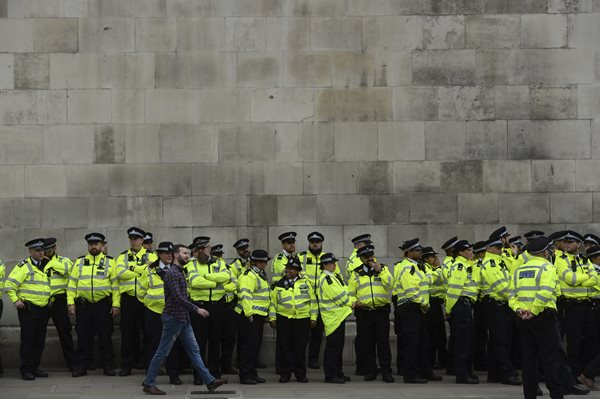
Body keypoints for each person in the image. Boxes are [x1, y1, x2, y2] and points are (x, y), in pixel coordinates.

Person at [142, 244, 226, 395]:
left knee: (194, 351)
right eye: (184, 253)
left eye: (188, 253)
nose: (187, 256)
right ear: (176, 255)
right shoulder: (173, 273)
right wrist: (196, 309)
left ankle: (210, 381)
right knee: (162, 352)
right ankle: (149, 383)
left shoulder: (180, 272)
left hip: (182, 318)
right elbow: (177, 297)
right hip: (173, 318)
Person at [509, 237, 564, 399]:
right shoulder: (548, 267)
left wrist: (519, 309)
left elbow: (511, 294)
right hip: (543, 318)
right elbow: (545, 291)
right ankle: (556, 394)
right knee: (550, 359)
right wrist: (534, 311)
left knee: (529, 359)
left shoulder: (520, 270)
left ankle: (530, 395)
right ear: (545, 252)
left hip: (523, 318)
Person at [69, 233, 120, 377]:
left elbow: (115, 286)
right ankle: (81, 367)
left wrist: (116, 305)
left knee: (105, 337)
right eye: (91, 244)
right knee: (83, 337)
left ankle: (108, 366)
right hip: (83, 306)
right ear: (88, 246)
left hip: (102, 305)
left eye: (96, 244)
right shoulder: (79, 262)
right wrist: (70, 303)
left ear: (102, 245)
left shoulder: (110, 262)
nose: (93, 246)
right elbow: (72, 283)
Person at [137, 241, 184, 385]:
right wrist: (149, 303)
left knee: (173, 345)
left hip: (172, 313)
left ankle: (174, 375)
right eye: (165, 253)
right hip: (153, 312)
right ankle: (151, 376)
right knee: (152, 343)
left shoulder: (178, 269)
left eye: (171, 253)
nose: (169, 256)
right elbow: (140, 290)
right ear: (159, 254)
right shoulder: (149, 269)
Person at [185, 236, 231, 380]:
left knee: (215, 340)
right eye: (206, 248)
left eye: (209, 248)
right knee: (199, 342)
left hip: (217, 306)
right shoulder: (191, 264)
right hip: (199, 307)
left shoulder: (219, 262)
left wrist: (206, 276)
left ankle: (214, 372)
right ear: (198, 250)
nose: (208, 250)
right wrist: (216, 282)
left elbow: (227, 276)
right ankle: (199, 374)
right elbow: (195, 281)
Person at [5, 238, 51, 380]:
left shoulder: (45, 265)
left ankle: (35, 368)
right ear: (30, 252)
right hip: (29, 310)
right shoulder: (23, 266)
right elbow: (9, 284)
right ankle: (26, 370)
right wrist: (16, 300)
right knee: (28, 340)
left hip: (43, 309)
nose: (40, 253)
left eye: (42, 250)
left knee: (39, 341)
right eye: (37, 251)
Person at [115, 227, 157, 376]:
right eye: (131, 239)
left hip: (146, 300)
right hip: (129, 300)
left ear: (142, 240)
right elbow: (119, 273)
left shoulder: (152, 255)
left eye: (136, 238)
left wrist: (131, 269)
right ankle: (127, 365)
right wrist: (140, 270)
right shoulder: (122, 256)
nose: (133, 241)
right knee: (127, 333)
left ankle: (149, 366)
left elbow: (151, 270)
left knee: (149, 333)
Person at [349, 244, 394, 383]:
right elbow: (350, 293)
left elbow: (390, 284)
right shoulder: (356, 273)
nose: (370, 259)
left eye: (371, 256)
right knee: (367, 343)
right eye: (366, 257)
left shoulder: (383, 268)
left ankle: (386, 371)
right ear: (361, 259)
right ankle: (370, 371)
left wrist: (380, 271)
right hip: (365, 313)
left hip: (381, 311)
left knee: (383, 343)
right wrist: (354, 301)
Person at [479, 235, 521, 385]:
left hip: (504, 304)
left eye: (501, 247)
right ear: (489, 248)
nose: (500, 250)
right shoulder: (490, 263)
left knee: (498, 341)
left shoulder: (501, 259)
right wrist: (517, 295)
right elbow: (501, 286)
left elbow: (516, 269)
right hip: (496, 305)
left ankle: (494, 373)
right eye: (497, 247)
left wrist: (514, 254)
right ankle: (506, 373)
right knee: (501, 340)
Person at [297, 231, 341, 369]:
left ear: (322, 243)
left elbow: (337, 277)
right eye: (312, 242)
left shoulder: (327, 258)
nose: (315, 244)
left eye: (317, 242)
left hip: (322, 302)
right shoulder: (301, 257)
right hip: (305, 301)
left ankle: (313, 360)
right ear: (309, 243)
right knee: (302, 334)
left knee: (317, 333)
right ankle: (299, 361)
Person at [269, 257, 316, 383]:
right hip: (284, 319)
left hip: (302, 319)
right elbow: (273, 303)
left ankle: (301, 374)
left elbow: (313, 302)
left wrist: (313, 318)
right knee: (285, 347)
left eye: (292, 269)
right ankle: (285, 373)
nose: (288, 270)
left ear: (297, 271)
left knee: (300, 348)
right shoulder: (278, 284)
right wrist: (272, 318)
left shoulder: (305, 283)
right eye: (287, 268)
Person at [235, 249, 272, 384]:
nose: (266, 264)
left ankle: (252, 372)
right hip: (249, 316)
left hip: (258, 315)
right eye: (264, 262)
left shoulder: (260, 274)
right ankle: (245, 375)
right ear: (257, 262)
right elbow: (245, 295)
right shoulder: (248, 275)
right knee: (248, 346)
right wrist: (249, 313)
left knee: (254, 346)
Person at [445, 240, 479, 384]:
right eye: (468, 250)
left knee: (468, 341)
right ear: (460, 252)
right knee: (463, 342)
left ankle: (467, 372)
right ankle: (462, 375)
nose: (471, 253)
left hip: (466, 305)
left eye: (471, 250)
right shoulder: (460, 266)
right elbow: (453, 290)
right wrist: (448, 309)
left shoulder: (467, 265)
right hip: (461, 306)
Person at [318, 253, 354, 384]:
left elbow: (346, 290)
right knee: (333, 348)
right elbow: (340, 297)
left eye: (334, 262)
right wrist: (352, 302)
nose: (334, 265)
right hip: (333, 319)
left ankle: (338, 372)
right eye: (332, 263)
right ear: (325, 265)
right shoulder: (326, 279)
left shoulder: (334, 277)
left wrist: (350, 299)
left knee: (338, 348)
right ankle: (331, 375)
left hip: (338, 317)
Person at [42, 238, 76, 371]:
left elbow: (67, 271)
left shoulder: (64, 260)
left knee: (65, 333)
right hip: (43, 300)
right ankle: (32, 366)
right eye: (44, 250)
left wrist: (50, 263)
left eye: (49, 249)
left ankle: (72, 364)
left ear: (55, 248)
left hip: (59, 300)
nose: (46, 252)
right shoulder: (38, 263)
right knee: (38, 334)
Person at [420, 247, 447, 371]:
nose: (435, 259)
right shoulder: (424, 268)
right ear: (425, 258)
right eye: (432, 257)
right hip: (430, 304)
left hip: (437, 303)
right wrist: (439, 268)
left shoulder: (433, 268)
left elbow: (443, 279)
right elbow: (434, 278)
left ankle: (441, 359)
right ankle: (431, 361)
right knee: (431, 334)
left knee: (440, 334)